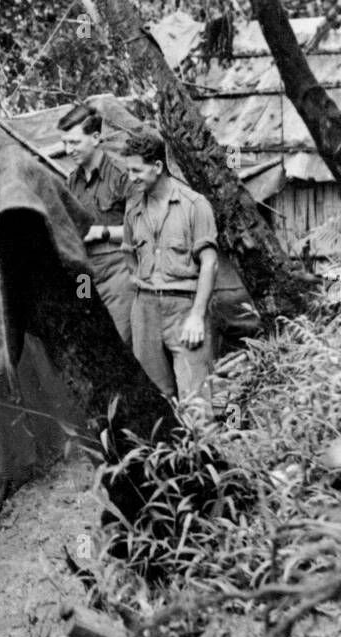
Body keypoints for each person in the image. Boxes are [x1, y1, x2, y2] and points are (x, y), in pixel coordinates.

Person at [121, 128, 220, 424]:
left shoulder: (194, 205)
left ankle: (205, 466)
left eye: (137, 170)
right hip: (145, 311)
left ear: (158, 167)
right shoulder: (133, 209)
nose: (132, 177)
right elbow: (129, 254)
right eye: (128, 171)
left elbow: (210, 263)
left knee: (196, 400)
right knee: (154, 399)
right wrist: (142, 294)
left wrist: (197, 316)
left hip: (185, 310)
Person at [58, 102, 135, 345]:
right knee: (92, 342)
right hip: (86, 279)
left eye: (74, 142)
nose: (68, 150)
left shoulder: (121, 174)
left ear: (95, 137)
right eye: (65, 143)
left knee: (119, 346)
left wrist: (101, 233)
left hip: (119, 272)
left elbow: (146, 231)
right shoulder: (72, 182)